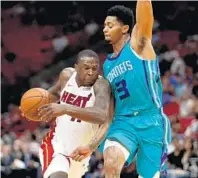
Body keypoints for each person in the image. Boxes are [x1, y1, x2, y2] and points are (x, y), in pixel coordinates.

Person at [70, 1, 171, 178]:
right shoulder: (108, 66)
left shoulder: (138, 45)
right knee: (111, 160)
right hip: (123, 123)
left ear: (125, 28)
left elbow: (144, 17)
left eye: (110, 25)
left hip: (152, 120)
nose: (104, 29)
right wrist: (91, 146)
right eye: (104, 26)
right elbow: (108, 116)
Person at [21, 49, 113, 178]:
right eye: (86, 68)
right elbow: (52, 94)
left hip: (80, 155)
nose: (90, 72)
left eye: (94, 68)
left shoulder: (101, 86)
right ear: (76, 67)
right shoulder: (66, 76)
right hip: (56, 145)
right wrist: (31, 108)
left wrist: (91, 147)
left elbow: (101, 116)